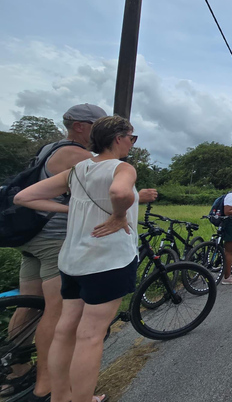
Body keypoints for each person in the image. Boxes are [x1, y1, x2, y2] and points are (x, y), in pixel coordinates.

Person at [13, 115, 155, 402]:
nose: (132, 142)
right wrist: (117, 216)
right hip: (108, 261)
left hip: (72, 260)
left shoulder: (77, 170)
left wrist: (73, 211)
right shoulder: (122, 167)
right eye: (132, 137)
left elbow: (23, 197)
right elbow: (119, 191)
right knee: (90, 337)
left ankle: (60, 397)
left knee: (66, 330)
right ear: (119, 138)